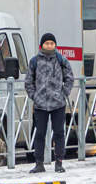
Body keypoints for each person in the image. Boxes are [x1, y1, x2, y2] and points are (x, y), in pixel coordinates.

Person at [24, 33, 74, 174]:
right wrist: (34, 96)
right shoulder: (34, 61)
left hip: (58, 103)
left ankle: (59, 162)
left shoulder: (61, 60)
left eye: (52, 43)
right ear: (42, 45)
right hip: (40, 104)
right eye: (47, 43)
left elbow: (69, 78)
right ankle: (39, 162)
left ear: (55, 45)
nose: (49, 46)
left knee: (59, 133)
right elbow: (28, 81)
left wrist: (63, 94)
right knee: (39, 133)